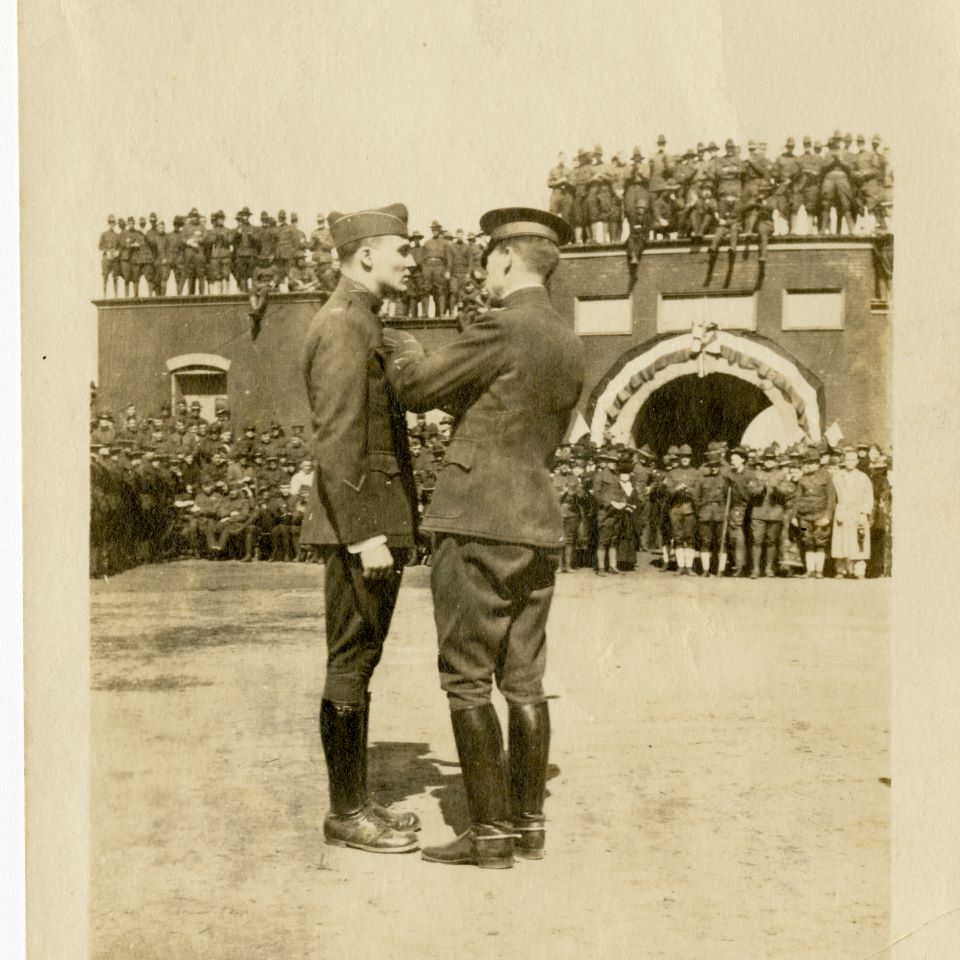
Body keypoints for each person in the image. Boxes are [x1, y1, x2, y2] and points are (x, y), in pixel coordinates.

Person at [383, 206, 584, 869]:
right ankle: (527, 825)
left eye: (485, 263)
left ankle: (489, 835)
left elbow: (414, 388)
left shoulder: (501, 325)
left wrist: (403, 343)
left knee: (467, 680)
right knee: (525, 680)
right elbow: (506, 406)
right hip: (535, 523)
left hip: (477, 521)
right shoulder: (565, 338)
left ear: (503, 260)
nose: (482, 275)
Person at [299, 202, 421, 854]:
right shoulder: (346, 325)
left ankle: (358, 801)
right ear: (366, 254)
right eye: (403, 249)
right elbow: (338, 440)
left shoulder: (366, 321)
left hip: (371, 521)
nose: (413, 258)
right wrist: (364, 532)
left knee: (361, 662)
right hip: (363, 526)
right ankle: (346, 813)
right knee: (350, 663)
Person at [830, 446, 874, 578]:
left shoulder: (863, 477)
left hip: (858, 511)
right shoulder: (837, 476)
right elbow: (832, 496)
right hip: (843, 510)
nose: (850, 462)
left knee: (859, 540)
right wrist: (837, 510)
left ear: (857, 461)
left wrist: (864, 512)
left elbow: (869, 497)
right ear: (844, 460)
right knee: (841, 540)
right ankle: (841, 570)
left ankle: (859, 570)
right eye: (848, 459)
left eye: (853, 460)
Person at [99, 214, 120, 297]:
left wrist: (116, 252)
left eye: (113, 222)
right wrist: (107, 251)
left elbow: (119, 247)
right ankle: (104, 296)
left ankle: (115, 295)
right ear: (108, 223)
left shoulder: (117, 235)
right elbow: (100, 246)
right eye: (110, 222)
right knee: (105, 277)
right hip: (107, 258)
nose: (112, 224)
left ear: (114, 224)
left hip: (114, 258)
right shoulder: (104, 234)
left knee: (115, 277)